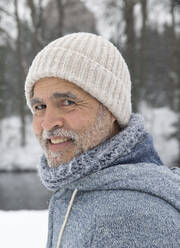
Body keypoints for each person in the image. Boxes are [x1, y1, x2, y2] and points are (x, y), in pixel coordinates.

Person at [24, 32, 180, 248]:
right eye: (40, 107)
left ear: (111, 110)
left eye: (68, 102)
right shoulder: (79, 188)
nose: (48, 123)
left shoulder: (132, 220)